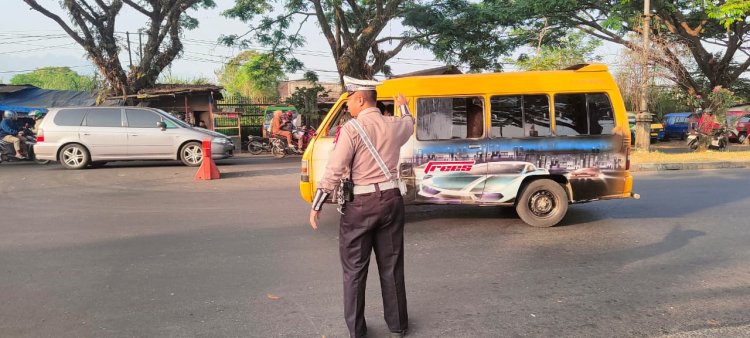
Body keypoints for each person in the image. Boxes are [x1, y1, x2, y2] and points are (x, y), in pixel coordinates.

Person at [309, 76, 414, 338]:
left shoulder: (352, 129)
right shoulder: (394, 125)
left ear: (359, 98)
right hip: (392, 200)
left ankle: (357, 331)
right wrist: (403, 106)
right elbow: (409, 124)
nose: (347, 107)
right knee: (392, 265)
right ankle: (398, 326)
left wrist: (317, 203)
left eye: (348, 101)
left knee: (354, 270)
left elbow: (334, 169)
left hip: (362, 206)